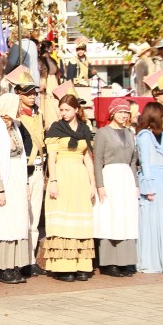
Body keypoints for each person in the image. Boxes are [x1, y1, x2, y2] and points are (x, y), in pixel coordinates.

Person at [44, 94, 96, 281]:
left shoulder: (84, 129)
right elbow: (51, 157)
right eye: (61, 109)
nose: (63, 113)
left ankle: (81, 264)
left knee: (80, 220)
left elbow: (87, 158)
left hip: (80, 176)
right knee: (63, 220)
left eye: (67, 109)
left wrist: (92, 183)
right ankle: (64, 266)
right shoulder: (56, 128)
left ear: (76, 110)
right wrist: (54, 181)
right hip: (62, 173)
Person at [93, 98, 139, 277]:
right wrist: (100, 185)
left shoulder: (130, 133)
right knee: (110, 218)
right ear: (112, 113)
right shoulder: (103, 133)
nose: (123, 115)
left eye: (126, 112)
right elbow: (97, 160)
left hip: (126, 177)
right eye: (120, 112)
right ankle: (109, 262)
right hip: (110, 176)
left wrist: (135, 183)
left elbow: (134, 161)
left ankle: (124, 261)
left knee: (125, 218)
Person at [0, 94, 30, 285]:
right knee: (3, 222)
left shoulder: (15, 128)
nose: (20, 108)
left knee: (17, 220)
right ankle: (2, 267)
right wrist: (0, 189)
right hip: (3, 181)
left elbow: (21, 157)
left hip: (18, 180)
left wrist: (26, 183)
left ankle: (14, 264)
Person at [9, 68, 47, 277]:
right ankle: (20, 260)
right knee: (22, 216)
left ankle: (31, 259)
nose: (32, 96)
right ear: (19, 95)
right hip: (24, 171)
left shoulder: (38, 115)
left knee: (35, 217)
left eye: (34, 93)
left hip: (39, 168)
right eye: (28, 93)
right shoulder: (15, 118)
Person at [135, 101, 163, 273]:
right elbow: (144, 161)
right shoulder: (144, 135)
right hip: (152, 177)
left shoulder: (161, 133)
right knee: (151, 220)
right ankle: (150, 260)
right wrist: (148, 186)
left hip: (162, 178)